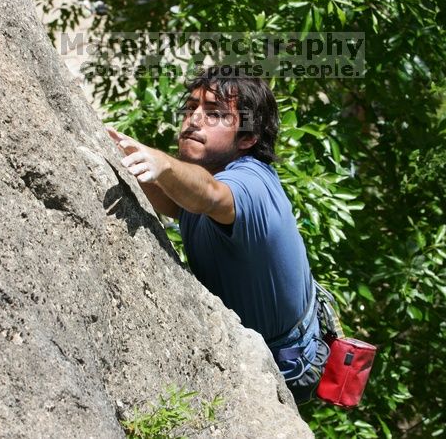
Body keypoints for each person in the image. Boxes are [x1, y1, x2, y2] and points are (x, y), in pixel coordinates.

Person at [106, 65, 328, 403]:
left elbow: (209, 194)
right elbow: (178, 199)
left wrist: (162, 164)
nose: (194, 119)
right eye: (191, 108)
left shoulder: (251, 184)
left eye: (215, 114)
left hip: (285, 366)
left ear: (248, 138)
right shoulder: (204, 178)